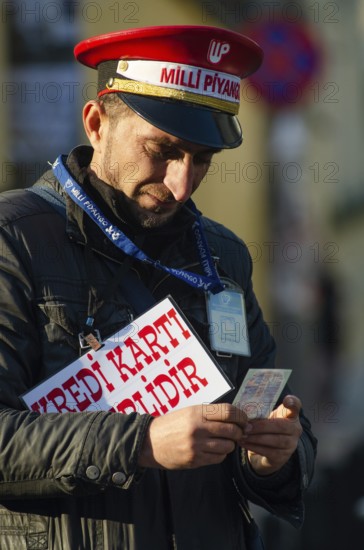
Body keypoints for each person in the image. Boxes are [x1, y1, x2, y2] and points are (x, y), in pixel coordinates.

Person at [0, 25, 317, 550]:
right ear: (97, 123)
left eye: (203, 160)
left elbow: (272, 407)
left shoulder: (224, 256)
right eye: (162, 149)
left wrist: (275, 456)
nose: (181, 183)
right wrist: (142, 442)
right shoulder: (14, 240)